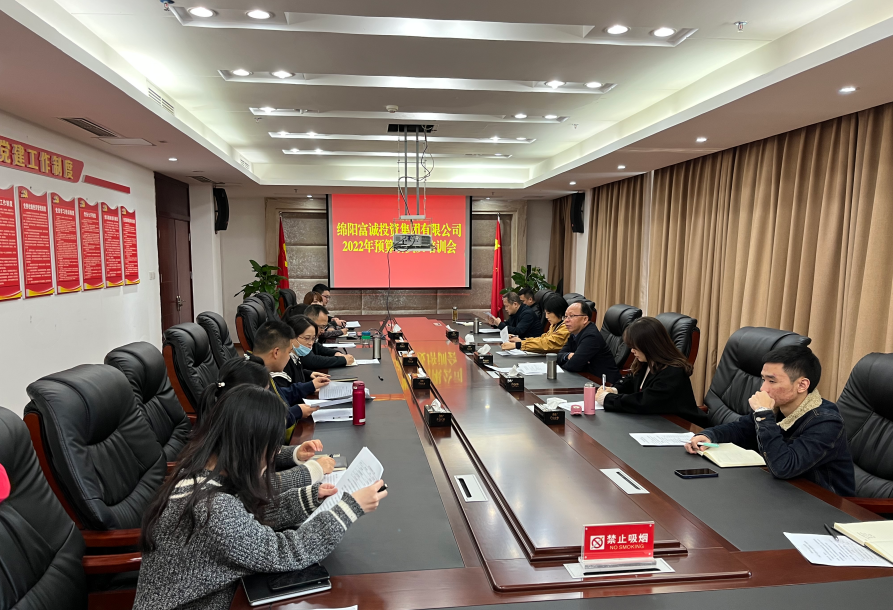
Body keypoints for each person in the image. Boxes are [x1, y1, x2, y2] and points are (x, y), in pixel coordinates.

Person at [134, 385, 387, 610]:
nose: (273, 457)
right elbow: (285, 553)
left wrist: (309, 497)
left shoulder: (201, 473)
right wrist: (349, 508)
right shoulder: (213, 508)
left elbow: (247, 519)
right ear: (250, 446)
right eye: (271, 449)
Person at [684, 345, 855, 496]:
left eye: (772, 381)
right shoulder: (779, 407)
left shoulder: (826, 422)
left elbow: (784, 466)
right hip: (782, 492)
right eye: (763, 379)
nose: (763, 388)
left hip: (822, 504)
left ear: (802, 385)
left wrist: (763, 414)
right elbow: (741, 429)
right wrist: (709, 435)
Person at [195, 355, 335, 484]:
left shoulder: (228, 429)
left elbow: (257, 454)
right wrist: (312, 471)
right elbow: (257, 485)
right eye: (266, 391)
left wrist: (295, 453)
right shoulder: (218, 484)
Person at [594, 317, 707, 426]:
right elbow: (631, 381)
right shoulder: (646, 362)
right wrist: (614, 390)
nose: (632, 351)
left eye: (635, 347)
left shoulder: (673, 371)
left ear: (649, 346)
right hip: (656, 421)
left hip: (682, 425)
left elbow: (645, 402)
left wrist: (608, 399)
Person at [250, 320, 329, 425]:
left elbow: (279, 395)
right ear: (276, 352)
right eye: (289, 352)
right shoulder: (251, 380)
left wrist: (310, 386)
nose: (289, 357)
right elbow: (264, 422)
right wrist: (295, 412)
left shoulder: (258, 369)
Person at [557, 301, 620, 382]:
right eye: (565, 316)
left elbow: (573, 365)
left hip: (603, 383)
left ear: (585, 319)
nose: (566, 320)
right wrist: (568, 355)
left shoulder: (591, 337)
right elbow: (558, 356)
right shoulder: (575, 333)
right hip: (585, 378)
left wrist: (562, 364)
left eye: (571, 316)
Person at [502, 294, 569, 353]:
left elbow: (547, 343)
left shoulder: (566, 327)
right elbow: (543, 338)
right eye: (545, 313)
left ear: (559, 312)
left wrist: (518, 345)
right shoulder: (555, 324)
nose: (546, 316)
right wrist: (522, 340)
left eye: (549, 313)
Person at [282, 314, 338, 386]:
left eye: (313, 339)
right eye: (307, 338)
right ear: (292, 336)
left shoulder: (295, 356)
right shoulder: (283, 361)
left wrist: (309, 374)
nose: (311, 343)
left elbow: (295, 372)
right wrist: (309, 387)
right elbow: (286, 388)